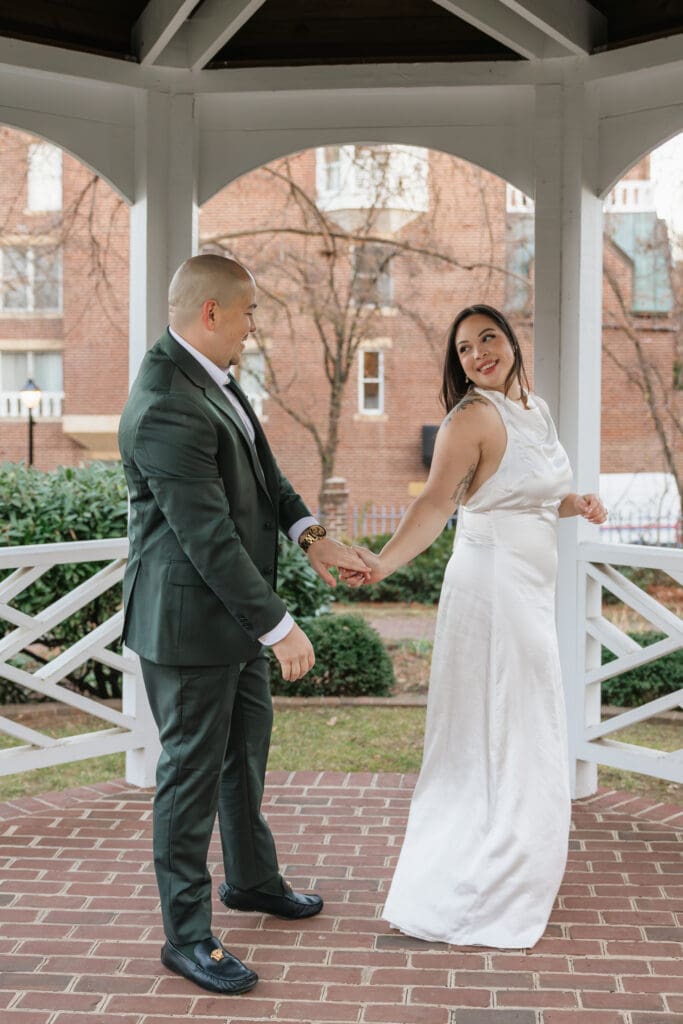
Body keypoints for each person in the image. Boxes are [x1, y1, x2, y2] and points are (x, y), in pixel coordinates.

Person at [118, 254, 369, 994]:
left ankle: (252, 881)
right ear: (211, 313)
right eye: (250, 312)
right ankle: (186, 937)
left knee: (243, 760)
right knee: (190, 779)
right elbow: (208, 535)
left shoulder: (216, 382)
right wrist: (279, 626)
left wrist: (313, 538)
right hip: (189, 626)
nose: (255, 326)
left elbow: (266, 478)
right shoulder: (167, 399)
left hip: (235, 619)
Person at [345, 304, 606, 948]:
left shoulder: (533, 410)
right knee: (498, 723)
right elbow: (437, 504)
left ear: (512, 341)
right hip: (491, 588)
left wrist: (577, 503)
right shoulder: (472, 417)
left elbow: (534, 493)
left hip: (529, 589)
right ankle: (480, 869)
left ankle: (518, 848)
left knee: (521, 718)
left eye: (487, 338)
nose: (478, 354)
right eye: (464, 349)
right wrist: (380, 563)